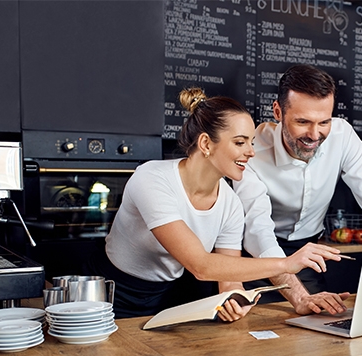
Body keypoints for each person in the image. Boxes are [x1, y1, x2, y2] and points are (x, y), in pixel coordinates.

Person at [83, 88, 342, 319]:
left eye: (251, 143)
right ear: (206, 143)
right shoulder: (152, 179)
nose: (251, 152)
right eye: (240, 142)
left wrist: (234, 299)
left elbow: (227, 280)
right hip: (114, 296)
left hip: (172, 297)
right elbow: (201, 265)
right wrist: (287, 263)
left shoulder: (230, 203)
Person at [233, 64, 362, 316]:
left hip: (308, 253)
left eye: (324, 122)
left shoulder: (342, 136)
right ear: (278, 112)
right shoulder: (252, 152)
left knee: (315, 329)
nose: (314, 134)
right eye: (302, 122)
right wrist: (298, 297)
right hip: (255, 257)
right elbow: (257, 231)